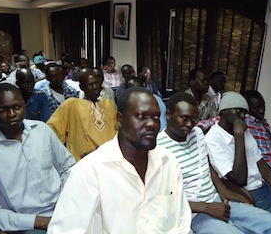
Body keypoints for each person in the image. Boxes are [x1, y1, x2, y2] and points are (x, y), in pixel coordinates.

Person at [47, 87, 192, 234]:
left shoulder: (168, 163)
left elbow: (182, 223)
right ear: (119, 119)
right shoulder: (90, 171)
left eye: (156, 117)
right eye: (142, 116)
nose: (152, 124)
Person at [157, 92, 271, 234]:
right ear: (168, 114)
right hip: (194, 213)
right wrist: (207, 207)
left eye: (193, 120)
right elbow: (164, 201)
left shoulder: (197, 134)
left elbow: (206, 165)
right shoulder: (158, 148)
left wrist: (223, 190)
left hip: (217, 200)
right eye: (185, 118)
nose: (189, 125)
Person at [0, 83, 75, 233]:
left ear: (24, 105)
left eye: (16, 107)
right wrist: (39, 222)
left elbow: (68, 166)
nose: (11, 114)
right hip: (24, 223)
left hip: (64, 208)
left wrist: (68, 199)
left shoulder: (41, 130)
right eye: (3, 110)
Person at [205, 91, 271, 233]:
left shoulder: (244, 130)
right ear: (225, 111)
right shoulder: (213, 139)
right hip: (251, 193)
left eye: (244, 113)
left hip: (265, 186)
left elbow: (263, 167)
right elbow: (239, 179)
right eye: (239, 111)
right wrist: (239, 136)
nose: (242, 116)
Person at [197, 90, 271, 192]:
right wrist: (195, 131)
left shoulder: (260, 124)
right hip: (267, 172)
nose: (261, 111)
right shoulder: (239, 122)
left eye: (263, 106)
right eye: (256, 108)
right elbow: (214, 121)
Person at [47, 68, 117, 161]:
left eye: (97, 83)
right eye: (90, 84)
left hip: (110, 160)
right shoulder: (71, 104)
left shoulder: (109, 105)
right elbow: (51, 132)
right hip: (83, 163)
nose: (95, 87)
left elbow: (118, 132)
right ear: (81, 87)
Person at [0, 68, 51, 132]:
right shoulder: (9, 98)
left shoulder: (39, 96)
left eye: (32, 82)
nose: (30, 86)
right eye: (26, 83)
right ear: (17, 83)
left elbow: (46, 121)